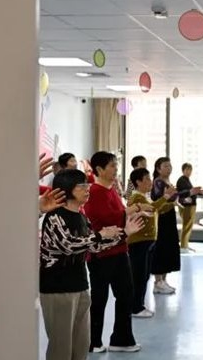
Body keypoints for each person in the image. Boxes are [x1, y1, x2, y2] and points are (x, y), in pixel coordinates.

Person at [39, 169, 145, 360]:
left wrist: (123, 234)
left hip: (80, 286)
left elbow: (94, 246)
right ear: (66, 190)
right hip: (57, 289)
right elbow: (69, 245)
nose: (87, 189)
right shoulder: (55, 216)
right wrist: (99, 235)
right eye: (82, 186)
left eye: (87, 185)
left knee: (81, 344)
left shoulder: (81, 216)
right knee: (61, 347)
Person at [83, 151, 146, 353]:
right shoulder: (94, 191)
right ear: (99, 169)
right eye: (112, 166)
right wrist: (133, 209)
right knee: (99, 298)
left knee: (126, 294)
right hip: (101, 254)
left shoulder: (111, 190)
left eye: (116, 165)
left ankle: (122, 339)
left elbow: (118, 215)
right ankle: (93, 341)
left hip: (119, 249)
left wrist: (132, 213)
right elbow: (107, 218)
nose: (115, 169)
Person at [126, 167, 178, 318]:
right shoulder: (136, 198)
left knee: (144, 275)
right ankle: (136, 307)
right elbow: (153, 208)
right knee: (139, 276)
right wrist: (166, 197)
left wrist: (168, 201)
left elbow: (155, 209)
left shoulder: (144, 196)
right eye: (147, 179)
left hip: (147, 241)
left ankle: (139, 305)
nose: (150, 182)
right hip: (139, 241)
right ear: (138, 182)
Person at [150, 157, 202, 294]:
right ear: (158, 169)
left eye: (170, 165)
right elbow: (162, 199)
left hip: (169, 216)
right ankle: (158, 281)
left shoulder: (167, 182)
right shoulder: (158, 182)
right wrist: (189, 192)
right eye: (165, 166)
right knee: (161, 247)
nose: (169, 168)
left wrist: (186, 195)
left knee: (169, 247)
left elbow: (175, 197)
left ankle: (163, 280)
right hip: (162, 218)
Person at [177, 163, 198, 253]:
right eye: (187, 170)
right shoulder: (181, 180)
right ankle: (183, 246)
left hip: (191, 205)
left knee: (189, 226)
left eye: (190, 170)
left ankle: (185, 244)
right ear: (183, 170)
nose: (189, 172)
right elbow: (181, 193)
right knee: (186, 226)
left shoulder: (187, 180)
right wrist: (191, 192)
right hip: (186, 206)